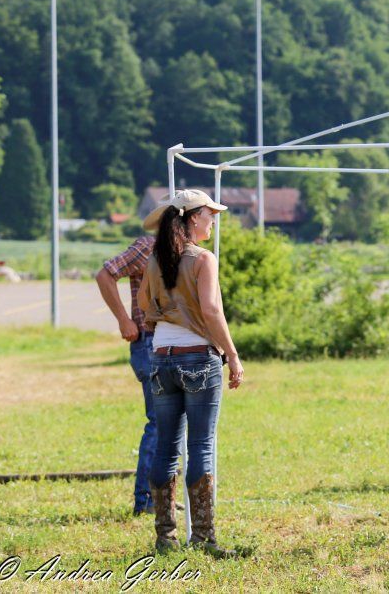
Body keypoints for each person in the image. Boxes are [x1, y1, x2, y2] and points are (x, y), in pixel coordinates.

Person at [138, 189, 244, 557]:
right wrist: (232, 354)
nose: (214, 220)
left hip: (160, 358)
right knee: (201, 445)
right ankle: (203, 538)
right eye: (210, 214)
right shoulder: (203, 259)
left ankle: (164, 537)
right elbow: (213, 311)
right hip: (198, 358)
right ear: (192, 217)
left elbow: (141, 304)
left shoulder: (155, 259)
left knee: (166, 446)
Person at [96, 233, 157, 515]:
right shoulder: (148, 245)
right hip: (148, 341)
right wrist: (124, 319)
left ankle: (159, 497)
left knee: (168, 425)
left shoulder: (185, 248)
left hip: (165, 343)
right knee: (158, 423)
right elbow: (106, 274)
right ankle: (146, 500)